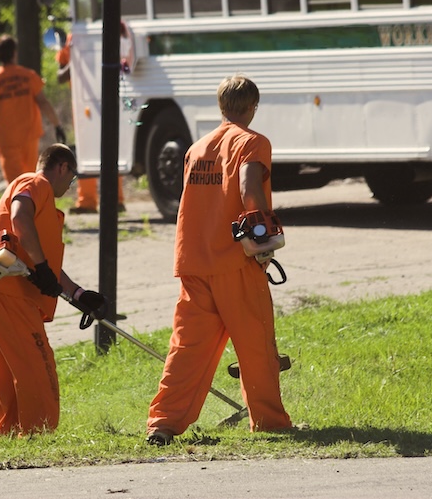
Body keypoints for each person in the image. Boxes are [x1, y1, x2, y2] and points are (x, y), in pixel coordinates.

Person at [146, 75, 292, 446]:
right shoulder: (252, 142)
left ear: (221, 106)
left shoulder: (196, 148)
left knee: (186, 350)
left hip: (194, 261)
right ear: (253, 107)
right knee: (256, 347)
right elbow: (248, 186)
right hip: (234, 262)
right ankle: (270, 422)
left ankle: (162, 424)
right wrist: (262, 237)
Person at [0, 143, 107, 439]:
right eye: (72, 179)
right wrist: (42, 268)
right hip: (8, 293)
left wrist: (78, 294)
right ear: (62, 167)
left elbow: (43, 263)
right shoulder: (36, 183)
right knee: (36, 366)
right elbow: (19, 218)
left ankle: (7, 435)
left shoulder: (42, 208)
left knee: (8, 370)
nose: (70, 187)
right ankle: (37, 433)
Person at [55, 33, 126, 214]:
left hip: (110, 100)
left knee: (112, 147)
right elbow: (60, 76)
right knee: (85, 151)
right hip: (83, 105)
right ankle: (87, 201)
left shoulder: (110, 32)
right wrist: (76, 61)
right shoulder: (71, 40)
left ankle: (116, 200)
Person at [0, 34, 64, 184]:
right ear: (14, 52)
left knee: (15, 184)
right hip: (29, 135)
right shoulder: (28, 76)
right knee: (31, 179)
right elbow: (43, 103)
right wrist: (57, 125)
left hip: (6, 139)